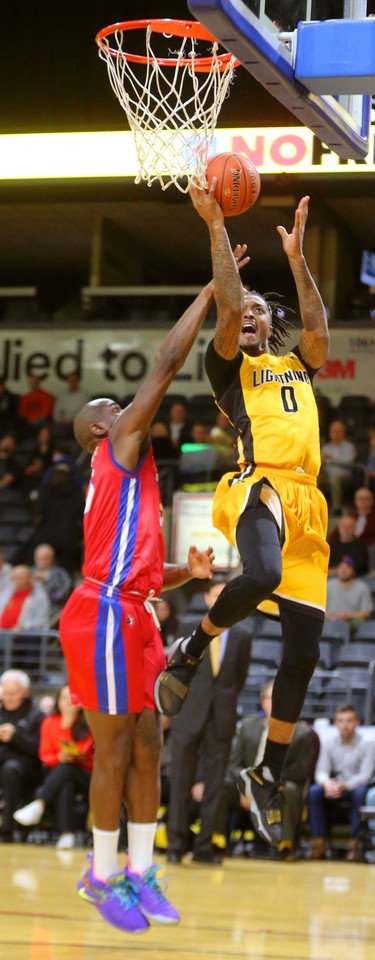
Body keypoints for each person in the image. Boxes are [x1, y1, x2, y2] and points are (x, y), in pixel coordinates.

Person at [155, 187, 330, 853]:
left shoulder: (297, 366)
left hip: (306, 504)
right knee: (259, 571)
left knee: (303, 654)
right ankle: (190, 649)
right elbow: (227, 307)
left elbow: (315, 325)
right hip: (257, 488)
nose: (250, 317)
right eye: (245, 314)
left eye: (261, 313)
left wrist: (296, 259)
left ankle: (266, 771)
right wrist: (214, 227)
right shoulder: (228, 372)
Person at [58, 280, 216, 934]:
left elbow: (142, 576)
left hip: (130, 610)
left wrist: (186, 572)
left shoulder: (134, 478)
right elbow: (165, 365)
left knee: (150, 743)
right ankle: (100, 876)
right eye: (112, 405)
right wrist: (209, 292)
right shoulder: (116, 446)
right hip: (99, 618)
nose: (126, 408)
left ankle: (141, 869)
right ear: (100, 426)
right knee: (116, 750)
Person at [166, 579, 252, 864]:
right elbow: (177, 670)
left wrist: (223, 704)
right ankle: (176, 845)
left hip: (222, 716)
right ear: (206, 599)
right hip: (188, 714)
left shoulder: (242, 636)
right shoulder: (187, 628)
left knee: (215, 784)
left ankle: (204, 847)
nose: (220, 600)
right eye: (217, 595)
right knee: (180, 782)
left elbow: (238, 680)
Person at [217, 680, 314, 862]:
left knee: (292, 790)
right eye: (271, 698)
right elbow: (234, 764)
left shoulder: (302, 732)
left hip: (278, 788)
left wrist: (265, 789)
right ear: (263, 702)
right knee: (222, 784)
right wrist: (246, 789)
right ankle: (216, 843)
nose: (276, 702)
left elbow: (299, 772)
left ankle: (286, 847)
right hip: (247, 785)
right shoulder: (247, 726)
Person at [14, 685, 94, 850]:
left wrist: (68, 725)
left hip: (86, 775)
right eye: (63, 698)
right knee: (65, 779)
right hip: (60, 774)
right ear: (57, 701)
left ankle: (40, 804)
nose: (67, 703)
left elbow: (85, 751)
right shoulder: (49, 722)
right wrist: (59, 757)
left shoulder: (89, 722)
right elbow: (44, 755)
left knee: (67, 767)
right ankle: (67, 835)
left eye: (71, 699)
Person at [307, 702, 375, 861]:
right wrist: (327, 784)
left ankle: (355, 845)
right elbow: (321, 771)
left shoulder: (368, 745)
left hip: (354, 787)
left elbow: (365, 776)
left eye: (349, 720)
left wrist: (345, 785)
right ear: (335, 723)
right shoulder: (329, 744)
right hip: (335, 787)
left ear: (357, 722)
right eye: (341, 720)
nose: (345, 725)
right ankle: (318, 844)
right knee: (314, 791)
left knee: (360, 793)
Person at [0, 669, 44, 841]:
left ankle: (7, 829)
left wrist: (15, 737)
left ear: (25, 693)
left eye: (14, 693)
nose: (9, 698)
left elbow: (40, 750)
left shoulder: (37, 716)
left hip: (27, 771)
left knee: (11, 770)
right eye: (5, 693)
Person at [325, 555, 373, 633]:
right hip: (330, 621)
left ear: (354, 571)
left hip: (351, 622)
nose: (343, 571)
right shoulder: (329, 585)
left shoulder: (362, 587)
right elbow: (320, 610)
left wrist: (347, 615)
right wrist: (332, 616)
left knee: (358, 623)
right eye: (341, 568)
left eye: (347, 568)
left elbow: (366, 613)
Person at [0, 564, 50, 634]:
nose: (12, 580)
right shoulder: (7, 593)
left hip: (25, 637)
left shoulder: (39, 596)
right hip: (3, 634)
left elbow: (41, 622)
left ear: (27, 578)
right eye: (12, 577)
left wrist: (23, 627)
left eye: (16, 577)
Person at [320, 420, 356, 515]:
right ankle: (317, 507)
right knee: (315, 480)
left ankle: (336, 509)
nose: (335, 434)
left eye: (337, 431)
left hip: (343, 475)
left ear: (343, 432)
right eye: (333, 431)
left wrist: (331, 457)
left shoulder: (349, 447)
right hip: (327, 474)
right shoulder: (326, 448)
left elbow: (348, 462)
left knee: (335, 479)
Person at [31, 543, 72, 614]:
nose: (42, 562)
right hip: (30, 607)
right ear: (35, 558)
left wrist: (47, 580)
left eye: (45, 559)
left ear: (52, 559)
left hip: (52, 608)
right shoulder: (29, 572)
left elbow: (63, 593)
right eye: (39, 559)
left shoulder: (61, 575)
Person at [328, 513, 369, 578]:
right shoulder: (331, 546)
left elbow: (362, 567)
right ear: (339, 528)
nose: (346, 529)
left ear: (354, 529)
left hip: (356, 580)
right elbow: (325, 567)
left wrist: (344, 571)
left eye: (350, 526)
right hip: (333, 580)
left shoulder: (361, 546)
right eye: (343, 526)